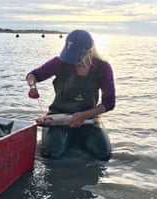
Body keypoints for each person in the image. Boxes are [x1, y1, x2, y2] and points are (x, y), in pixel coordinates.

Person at [26, 29, 115, 161]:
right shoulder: (59, 62)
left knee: (103, 155)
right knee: (53, 154)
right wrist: (32, 86)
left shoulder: (103, 67)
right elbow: (33, 75)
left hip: (88, 117)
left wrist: (83, 116)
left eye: (76, 58)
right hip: (59, 115)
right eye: (69, 56)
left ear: (89, 52)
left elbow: (109, 103)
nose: (72, 61)